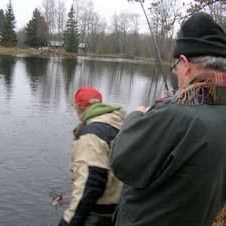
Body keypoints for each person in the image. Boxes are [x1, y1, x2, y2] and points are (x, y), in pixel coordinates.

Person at [110, 12, 226, 226]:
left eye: (177, 68)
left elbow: (121, 161)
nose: (177, 73)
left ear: (186, 63)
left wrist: (137, 115)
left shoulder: (173, 115)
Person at [58, 86, 126, 226]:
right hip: (122, 209)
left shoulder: (91, 134)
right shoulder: (121, 123)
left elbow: (90, 182)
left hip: (100, 214)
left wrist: (68, 222)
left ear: (79, 108)